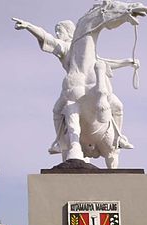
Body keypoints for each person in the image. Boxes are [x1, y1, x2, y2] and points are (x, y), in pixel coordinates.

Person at [12, 17, 135, 154]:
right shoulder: (63, 46)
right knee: (57, 110)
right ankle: (60, 141)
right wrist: (29, 26)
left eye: (59, 31)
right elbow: (45, 36)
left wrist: (127, 62)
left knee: (117, 106)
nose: (58, 34)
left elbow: (103, 62)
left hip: (89, 83)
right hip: (74, 85)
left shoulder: (83, 49)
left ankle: (118, 138)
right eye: (56, 32)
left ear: (69, 31)